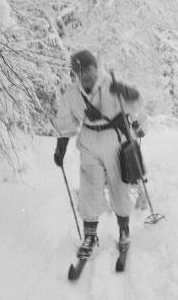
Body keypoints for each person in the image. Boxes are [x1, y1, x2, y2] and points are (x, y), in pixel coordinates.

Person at [53, 50, 145, 261]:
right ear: (75, 73)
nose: (85, 74)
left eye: (88, 69)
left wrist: (128, 93)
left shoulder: (112, 84)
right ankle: (90, 235)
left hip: (114, 140)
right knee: (89, 187)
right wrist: (61, 146)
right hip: (89, 141)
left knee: (118, 185)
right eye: (80, 71)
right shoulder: (72, 94)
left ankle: (124, 230)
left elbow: (137, 106)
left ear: (95, 67)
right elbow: (66, 121)